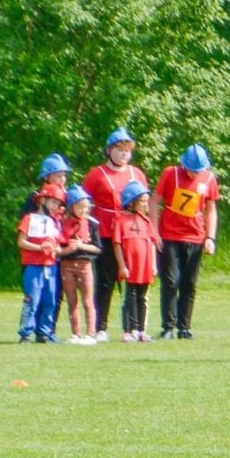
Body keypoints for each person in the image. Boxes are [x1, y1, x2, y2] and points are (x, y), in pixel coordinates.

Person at [81, 128, 148, 339]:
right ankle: (100, 327)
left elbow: (144, 204)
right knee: (105, 280)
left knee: (134, 282)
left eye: (127, 150)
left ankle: (134, 328)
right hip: (105, 233)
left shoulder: (137, 174)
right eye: (119, 149)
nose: (124, 154)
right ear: (109, 150)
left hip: (132, 234)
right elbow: (82, 202)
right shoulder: (96, 174)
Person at [151, 143, 221, 340]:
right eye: (190, 170)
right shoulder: (170, 174)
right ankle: (168, 327)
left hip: (195, 236)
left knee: (189, 284)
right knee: (170, 281)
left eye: (197, 171)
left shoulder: (209, 178)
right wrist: (154, 231)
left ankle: (184, 327)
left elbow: (211, 209)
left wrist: (210, 237)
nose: (193, 174)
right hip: (170, 235)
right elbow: (154, 201)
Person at [16, 182, 66, 343]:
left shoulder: (54, 222)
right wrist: (40, 247)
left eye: (58, 204)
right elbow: (21, 242)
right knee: (31, 299)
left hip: (50, 266)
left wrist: (56, 249)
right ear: (43, 200)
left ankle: (44, 332)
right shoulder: (29, 218)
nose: (56, 206)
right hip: (33, 266)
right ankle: (25, 333)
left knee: (50, 300)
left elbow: (58, 245)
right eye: (53, 202)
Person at [113, 180, 159, 342]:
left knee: (142, 298)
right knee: (129, 297)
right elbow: (117, 245)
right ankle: (128, 330)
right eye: (142, 201)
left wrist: (153, 264)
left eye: (147, 201)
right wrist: (122, 266)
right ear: (131, 202)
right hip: (129, 268)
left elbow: (151, 243)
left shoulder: (146, 221)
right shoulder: (120, 220)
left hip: (144, 268)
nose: (146, 205)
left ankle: (140, 330)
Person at [58, 185, 102, 344]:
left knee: (88, 300)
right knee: (71, 300)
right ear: (71, 207)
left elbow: (97, 248)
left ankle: (90, 334)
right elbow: (58, 247)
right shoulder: (62, 223)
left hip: (84, 265)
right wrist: (65, 250)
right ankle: (75, 334)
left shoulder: (92, 224)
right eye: (80, 206)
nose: (84, 210)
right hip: (67, 265)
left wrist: (81, 246)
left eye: (86, 206)